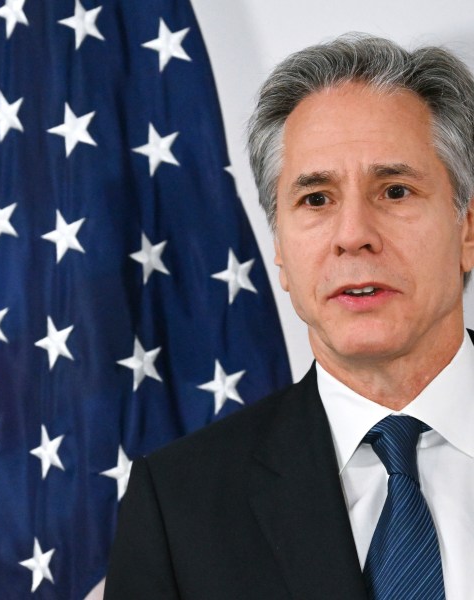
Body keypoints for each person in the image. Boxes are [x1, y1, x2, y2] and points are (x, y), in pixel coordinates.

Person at [104, 34, 474, 599]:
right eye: (316, 200)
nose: (353, 235)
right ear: (279, 248)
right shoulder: (177, 509)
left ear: (467, 229)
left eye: (395, 190)